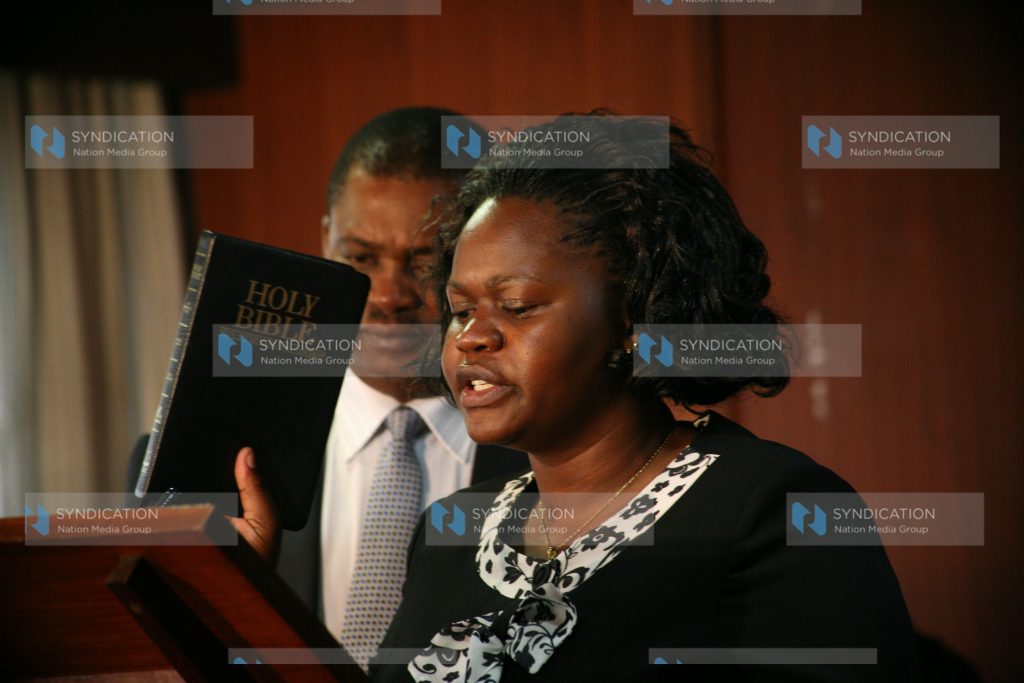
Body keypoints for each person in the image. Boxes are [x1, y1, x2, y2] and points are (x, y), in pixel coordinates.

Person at [234, 115, 922, 681]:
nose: (471, 339)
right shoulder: (449, 532)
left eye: (515, 304)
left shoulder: (774, 513)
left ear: (629, 316)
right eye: (460, 308)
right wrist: (247, 597)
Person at [135, 107, 526, 671]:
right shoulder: (192, 469)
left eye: (425, 262)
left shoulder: (555, 466)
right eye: (361, 258)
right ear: (325, 240)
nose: (388, 294)